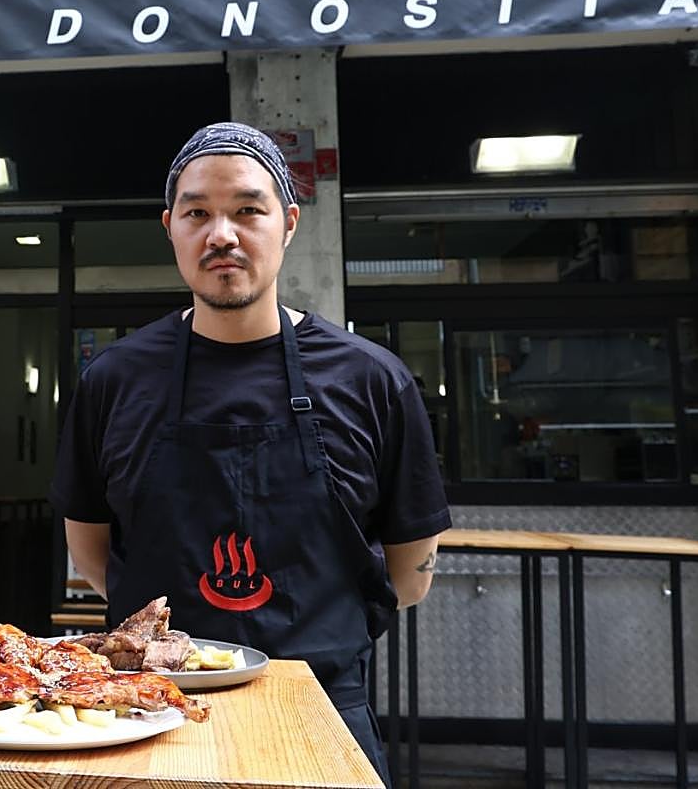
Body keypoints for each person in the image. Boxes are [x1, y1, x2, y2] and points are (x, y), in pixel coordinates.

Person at [51, 122, 451, 785]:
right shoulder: (113, 381)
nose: (223, 234)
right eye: (198, 213)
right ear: (170, 227)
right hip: (149, 715)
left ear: (288, 223)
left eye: (247, 210)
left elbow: (413, 573)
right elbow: (92, 555)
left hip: (321, 712)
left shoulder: (372, 380)